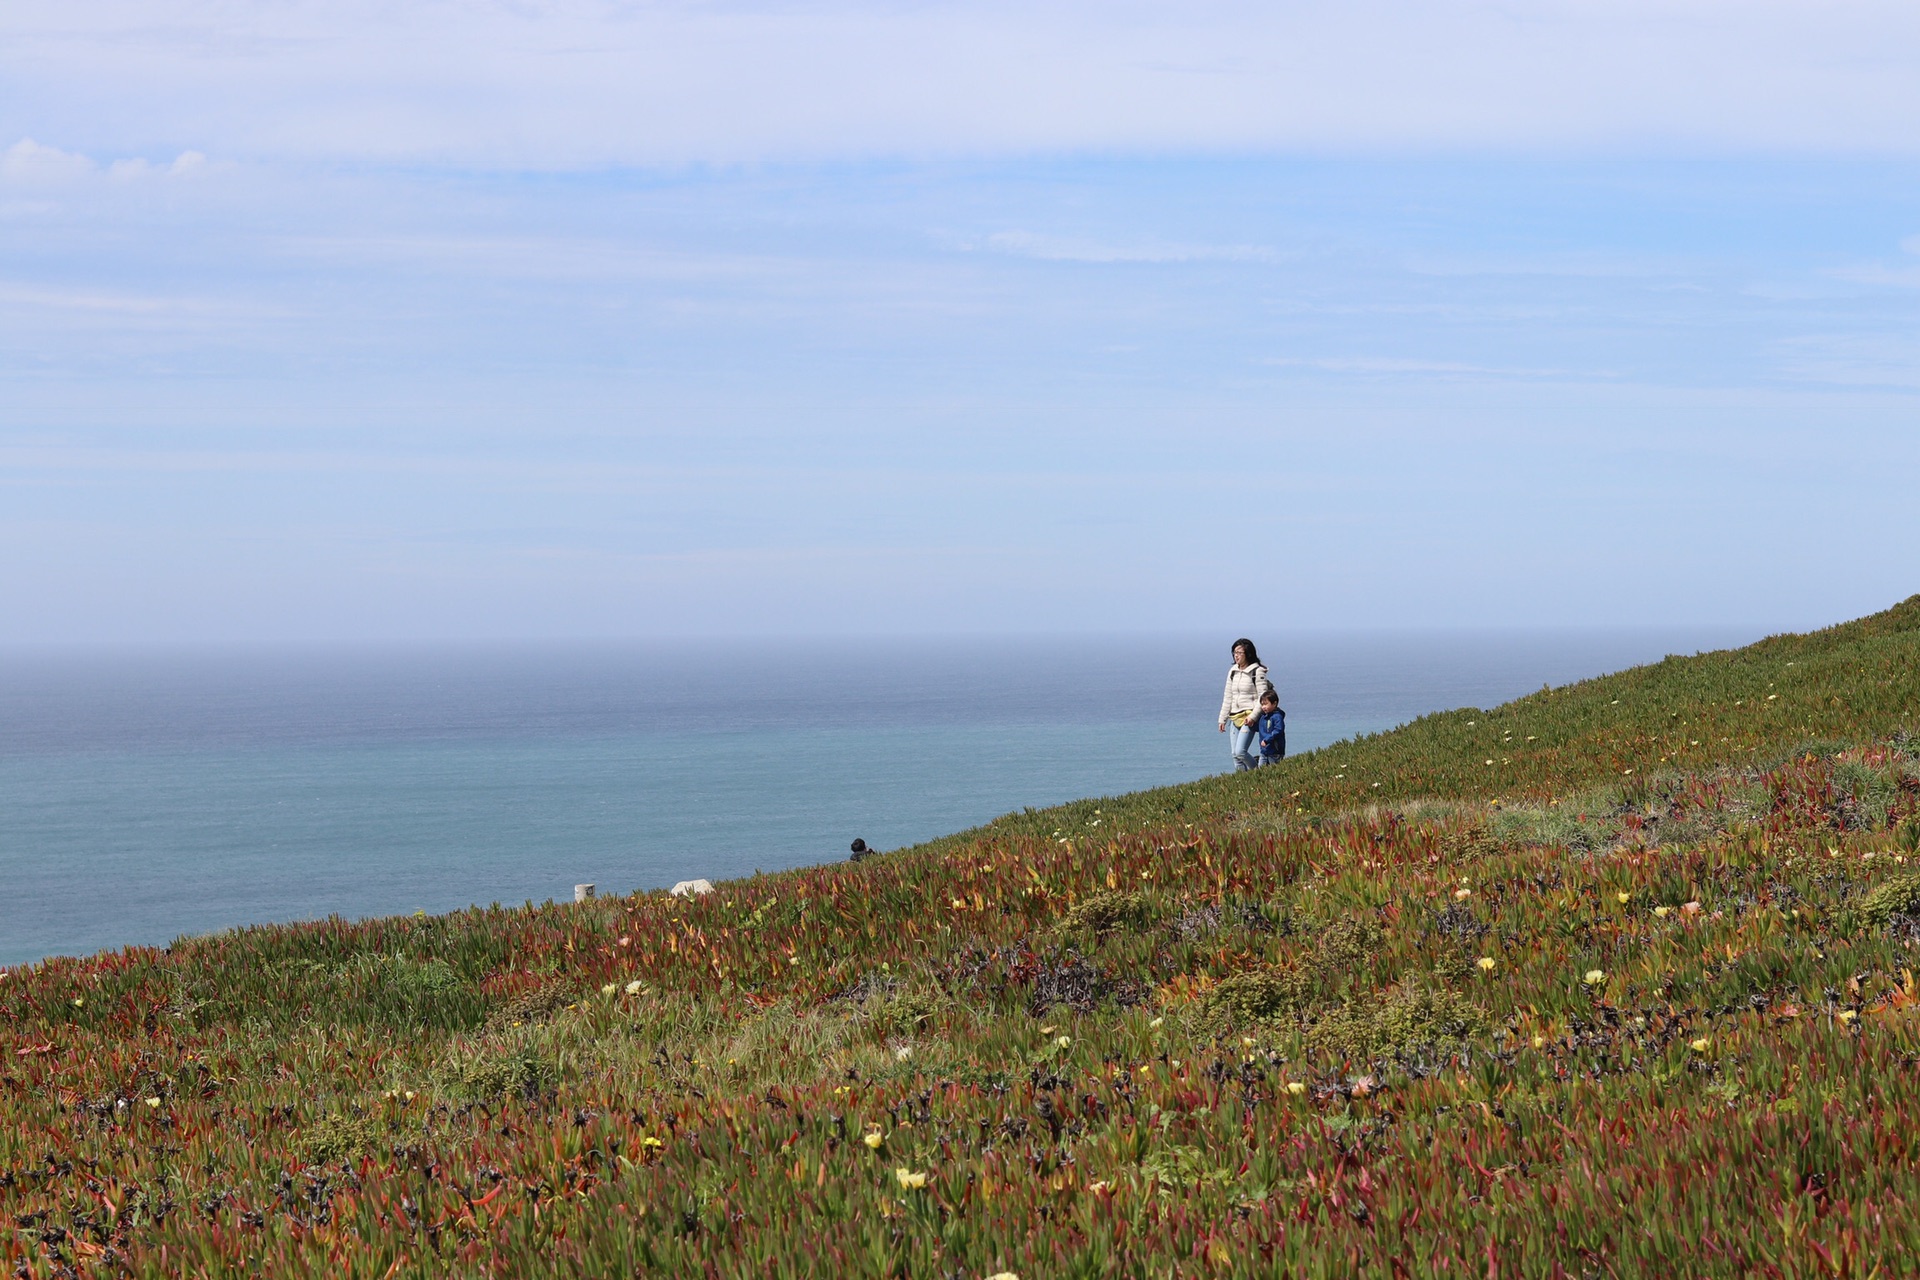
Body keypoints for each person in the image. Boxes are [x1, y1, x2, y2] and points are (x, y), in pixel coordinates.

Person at [1217, 638, 1274, 772]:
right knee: (1235, 756)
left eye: (1239, 652)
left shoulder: (1257, 671)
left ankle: (1258, 774)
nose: (1236, 655)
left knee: (1240, 752)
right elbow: (1228, 697)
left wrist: (1254, 717)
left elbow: (1263, 697)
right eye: (1234, 652)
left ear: (1248, 653)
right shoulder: (1232, 671)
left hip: (1249, 717)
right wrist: (1222, 719)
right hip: (1234, 716)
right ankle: (1242, 783)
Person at [1253, 690, 1286, 766]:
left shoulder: (1277, 717)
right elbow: (1260, 728)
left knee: (1275, 770)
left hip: (1275, 751)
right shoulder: (1263, 717)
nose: (1263, 707)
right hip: (1264, 750)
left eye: (1266, 704)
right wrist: (1251, 725)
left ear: (1274, 704)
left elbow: (1278, 730)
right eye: (1262, 704)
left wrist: (1267, 740)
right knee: (1261, 771)